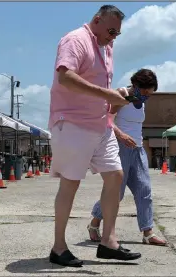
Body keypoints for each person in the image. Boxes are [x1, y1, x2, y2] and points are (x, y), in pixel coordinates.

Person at [48, 5, 141, 267]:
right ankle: (58, 248)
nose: (113, 37)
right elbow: (65, 77)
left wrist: (118, 94)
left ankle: (108, 242)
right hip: (73, 121)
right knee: (70, 182)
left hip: (101, 124)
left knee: (115, 175)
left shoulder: (106, 46)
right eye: (111, 31)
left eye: (117, 34)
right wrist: (106, 95)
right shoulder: (75, 39)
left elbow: (102, 86)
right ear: (97, 20)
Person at [88, 69, 167, 246]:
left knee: (144, 190)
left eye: (150, 94)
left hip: (138, 150)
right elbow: (107, 120)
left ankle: (147, 233)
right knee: (117, 193)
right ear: (136, 85)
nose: (147, 96)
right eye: (145, 92)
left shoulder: (142, 102)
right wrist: (121, 135)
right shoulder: (122, 94)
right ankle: (94, 223)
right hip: (120, 148)